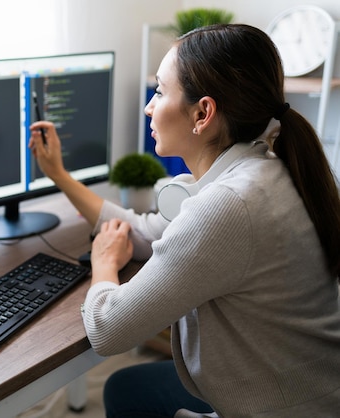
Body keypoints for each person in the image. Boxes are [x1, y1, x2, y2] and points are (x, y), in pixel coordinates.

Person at [29, 24, 340, 417]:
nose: (148, 106)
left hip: (283, 407)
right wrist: (59, 175)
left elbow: (108, 330)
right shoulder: (267, 170)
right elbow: (141, 230)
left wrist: (103, 263)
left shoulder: (228, 206)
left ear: (202, 113)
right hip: (306, 388)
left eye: (159, 91)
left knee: (127, 391)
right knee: (127, 388)